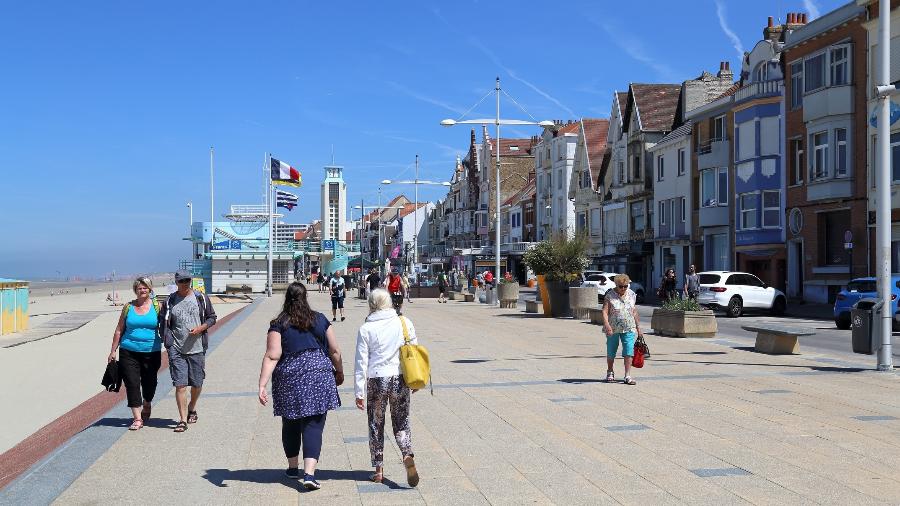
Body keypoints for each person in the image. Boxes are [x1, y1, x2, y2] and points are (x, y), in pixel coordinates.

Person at [259, 282, 342, 490]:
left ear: (287, 298)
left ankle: (292, 468)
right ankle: (309, 474)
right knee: (313, 423)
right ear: (305, 297)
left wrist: (262, 384)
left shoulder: (279, 323)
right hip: (318, 374)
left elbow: (273, 354)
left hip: (290, 376)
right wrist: (339, 371)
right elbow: (334, 350)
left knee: (290, 421)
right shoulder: (320, 319)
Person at [354, 289, 419, 487]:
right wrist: (414, 380)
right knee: (401, 421)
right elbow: (413, 350)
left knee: (376, 424)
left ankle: (379, 470)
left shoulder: (366, 328)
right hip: (400, 377)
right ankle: (407, 454)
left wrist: (359, 391)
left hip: (376, 379)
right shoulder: (404, 322)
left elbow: (361, 362)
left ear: (371, 304)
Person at [160, 270, 217, 432]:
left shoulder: (201, 298)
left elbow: (212, 317)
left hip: (197, 348)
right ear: (176, 282)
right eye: (181, 281)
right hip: (176, 349)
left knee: (197, 383)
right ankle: (183, 420)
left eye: (187, 280)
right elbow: (162, 322)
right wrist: (167, 342)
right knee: (180, 385)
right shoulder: (170, 301)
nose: (184, 283)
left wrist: (201, 328)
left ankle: (192, 406)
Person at [107, 277, 162, 431]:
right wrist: (113, 351)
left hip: (152, 351)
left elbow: (166, 327)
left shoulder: (158, 306)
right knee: (132, 383)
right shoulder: (128, 307)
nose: (142, 290)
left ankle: (147, 402)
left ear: (150, 289)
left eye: (145, 287)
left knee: (149, 383)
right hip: (128, 350)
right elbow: (119, 330)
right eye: (139, 288)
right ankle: (137, 418)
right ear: (135, 290)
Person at [601, 274, 643, 386]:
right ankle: (610, 371)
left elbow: (634, 311)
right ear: (616, 285)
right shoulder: (610, 295)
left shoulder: (632, 294)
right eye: (621, 286)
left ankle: (627, 375)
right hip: (613, 328)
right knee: (611, 350)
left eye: (625, 286)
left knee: (629, 351)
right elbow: (604, 311)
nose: (623, 288)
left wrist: (638, 327)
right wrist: (607, 325)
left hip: (629, 327)